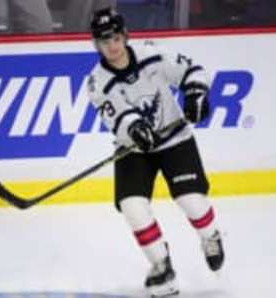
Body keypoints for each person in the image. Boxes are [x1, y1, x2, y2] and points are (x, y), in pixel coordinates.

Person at [86, 8, 225, 297]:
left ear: (124, 35)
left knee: (191, 201)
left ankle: (210, 236)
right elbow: (118, 117)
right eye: (103, 41)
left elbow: (193, 71)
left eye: (114, 37)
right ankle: (162, 266)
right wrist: (135, 129)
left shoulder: (153, 54)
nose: (111, 45)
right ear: (96, 45)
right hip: (134, 148)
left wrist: (196, 92)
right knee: (132, 206)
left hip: (175, 139)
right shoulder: (97, 82)